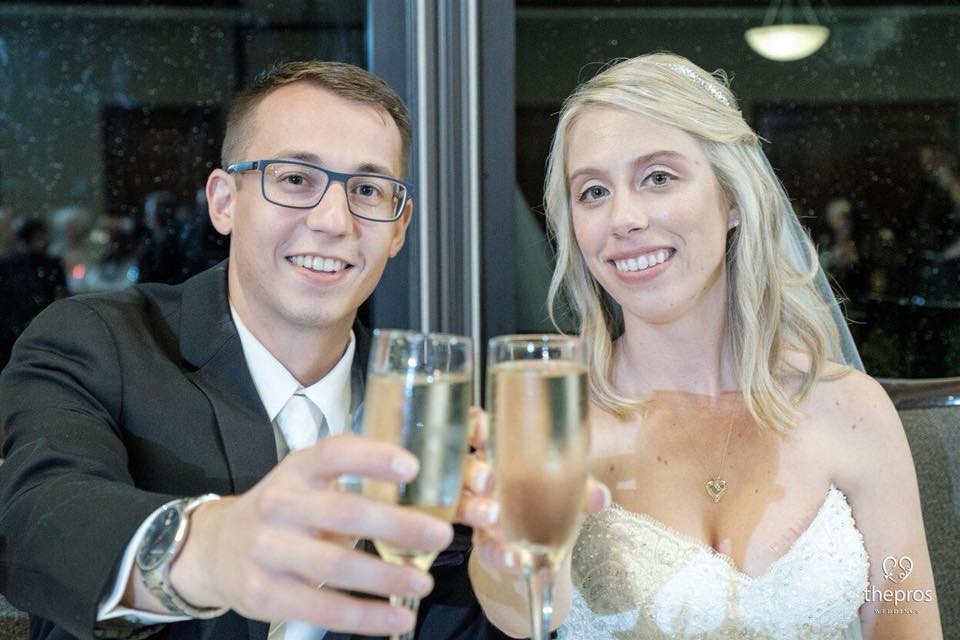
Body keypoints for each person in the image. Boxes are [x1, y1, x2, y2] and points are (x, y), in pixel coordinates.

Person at [0, 61, 508, 640]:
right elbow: (37, 520)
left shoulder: (426, 414)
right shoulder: (97, 342)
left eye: (367, 190)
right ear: (224, 202)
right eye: (295, 179)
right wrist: (207, 548)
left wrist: (505, 577)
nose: (333, 220)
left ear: (398, 227)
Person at [478, 53, 942, 639]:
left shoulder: (852, 409)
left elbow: (907, 614)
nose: (623, 218)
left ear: (733, 200)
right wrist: (505, 557)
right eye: (593, 191)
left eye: (657, 177)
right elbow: (518, 610)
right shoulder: (551, 418)